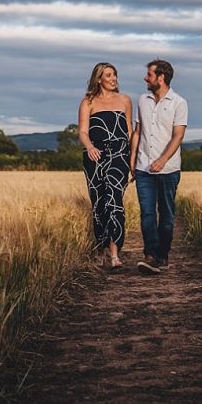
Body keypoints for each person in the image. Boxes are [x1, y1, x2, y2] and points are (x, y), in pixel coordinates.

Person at [129, 59, 187, 275]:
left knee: (167, 216)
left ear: (161, 77)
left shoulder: (179, 103)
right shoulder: (142, 100)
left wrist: (162, 160)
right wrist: (132, 158)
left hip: (168, 169)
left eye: (149, 75)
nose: (146, 78)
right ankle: (150, 255)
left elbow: (178, 135)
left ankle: (163, 255)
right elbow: (137, 131)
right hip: (143, 167)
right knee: (146, 214)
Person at [78, 62, 133, 271]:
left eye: (115, 75)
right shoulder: (88, 102)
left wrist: (133, 158)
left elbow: (129, 132)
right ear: (98, 78)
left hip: (119, 155)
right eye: (108, 75)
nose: (113, 79)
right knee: (99, 202)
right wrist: (90, 147)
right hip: (95, 156)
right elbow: (82, 131)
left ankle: (114, 253)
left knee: (114, 199)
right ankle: (100, 249)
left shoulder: (125, 100)